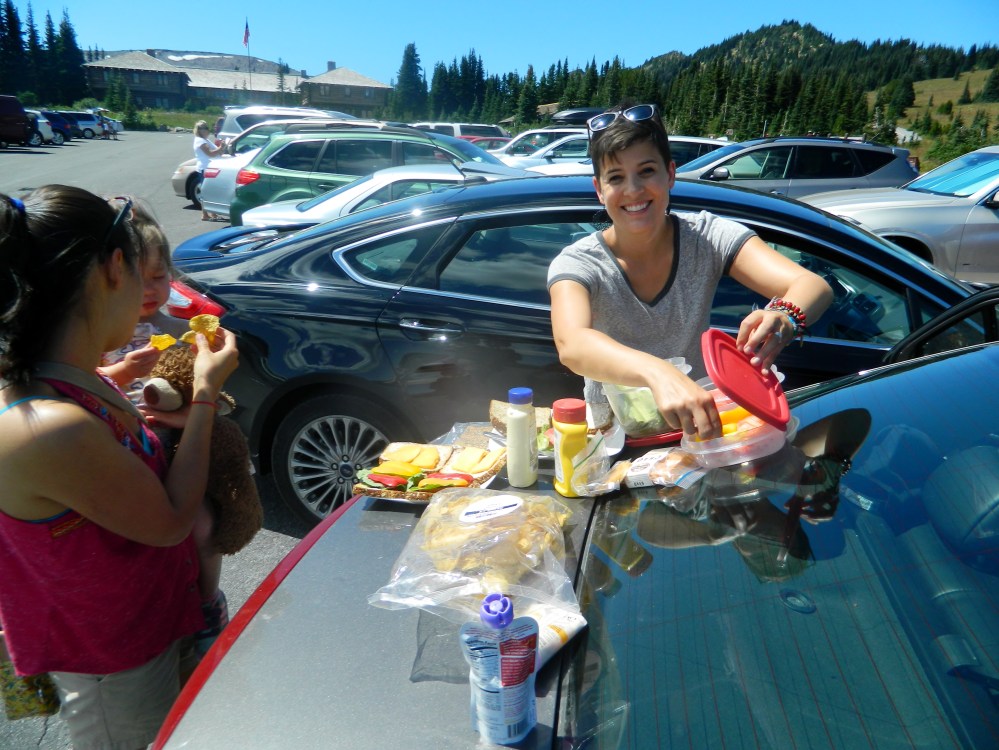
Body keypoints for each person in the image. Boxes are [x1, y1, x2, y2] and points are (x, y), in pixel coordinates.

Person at [0, 185, 239, 749]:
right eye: (140, 269)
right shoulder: (45, 425)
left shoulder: (76, 380)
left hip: (154, 628)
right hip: (115, 667)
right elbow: (173, 520)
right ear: (113, 268)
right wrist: (205, 393)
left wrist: (126, 378)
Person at [548, 103, 834, 440]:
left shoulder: (708, 237)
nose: (634, 190)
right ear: (599, 189)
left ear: (669, 174)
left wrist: (785, 317)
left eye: (646, 171)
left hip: (701, 432)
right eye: (616, 178)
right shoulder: (578, 263)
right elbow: (572, 344)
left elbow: (813, 286)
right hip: (614, 441)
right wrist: (658, 373)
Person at [98, 199, 229, 659]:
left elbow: (212, 401)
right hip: (120, 454)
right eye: (141, 277)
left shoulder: (178, 329)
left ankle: (209, 601)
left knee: (202, 525)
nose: (151, 289)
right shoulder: (98, 339)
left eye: (160, 276)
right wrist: (124, 373)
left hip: (174, 449)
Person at [192, 119, 226, 222]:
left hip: (210, 168)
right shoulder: (200, 141)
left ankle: (212, 213)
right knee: (206, 191)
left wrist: (222, 147)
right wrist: (221, 147)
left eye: (207, 127)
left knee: (210, 191)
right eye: (205, 128)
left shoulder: (206, 140)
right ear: (199, 130)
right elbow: (210, 153)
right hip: (205, 168)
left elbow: (217, 152)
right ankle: (205, 214)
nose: (208, 130)